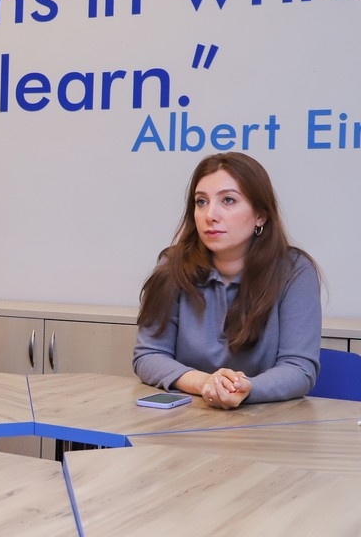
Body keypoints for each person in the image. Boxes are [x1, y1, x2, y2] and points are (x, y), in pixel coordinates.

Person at [133, 152, 321, 409]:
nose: (210, 215)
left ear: (260, 215)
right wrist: (206, 383)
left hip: (264, 419)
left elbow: (299, 368)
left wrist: (246, 388)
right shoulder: (172, 265)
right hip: (187, 415)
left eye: (228, 200)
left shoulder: (294, 271)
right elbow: (149, 355)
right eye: (201, 202)